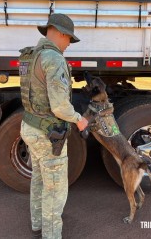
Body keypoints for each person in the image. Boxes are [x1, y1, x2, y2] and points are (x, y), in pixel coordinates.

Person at [19, 13, 88, 239]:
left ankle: (37, 223)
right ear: (60, 33)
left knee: (39, 180)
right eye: (69, 39)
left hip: (30, 127)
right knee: (55, 190)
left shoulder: (30, 55)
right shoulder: (54, 58)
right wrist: (79, 119)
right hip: (48, 134)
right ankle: (51, 235)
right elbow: (59, 107)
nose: (69, 44)